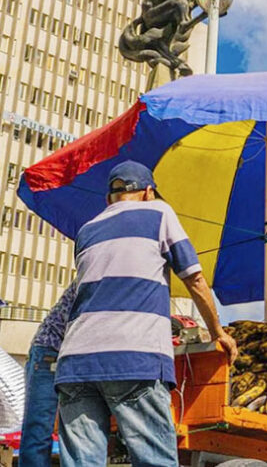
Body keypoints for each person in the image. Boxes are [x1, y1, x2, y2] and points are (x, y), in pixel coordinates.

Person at [55, 160, 238, 466]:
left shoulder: (87, 230)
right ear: (149, 192)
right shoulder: (158, 213)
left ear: (108, 199)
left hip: (75, 362)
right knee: (154, 461)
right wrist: (219, 332)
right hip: (133, 358)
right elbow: (193, 278)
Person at [20, 284, 76, 467]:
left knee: (75, 433)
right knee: (38, 432)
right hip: (49, 351)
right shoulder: (94, 271)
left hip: (72, 357)